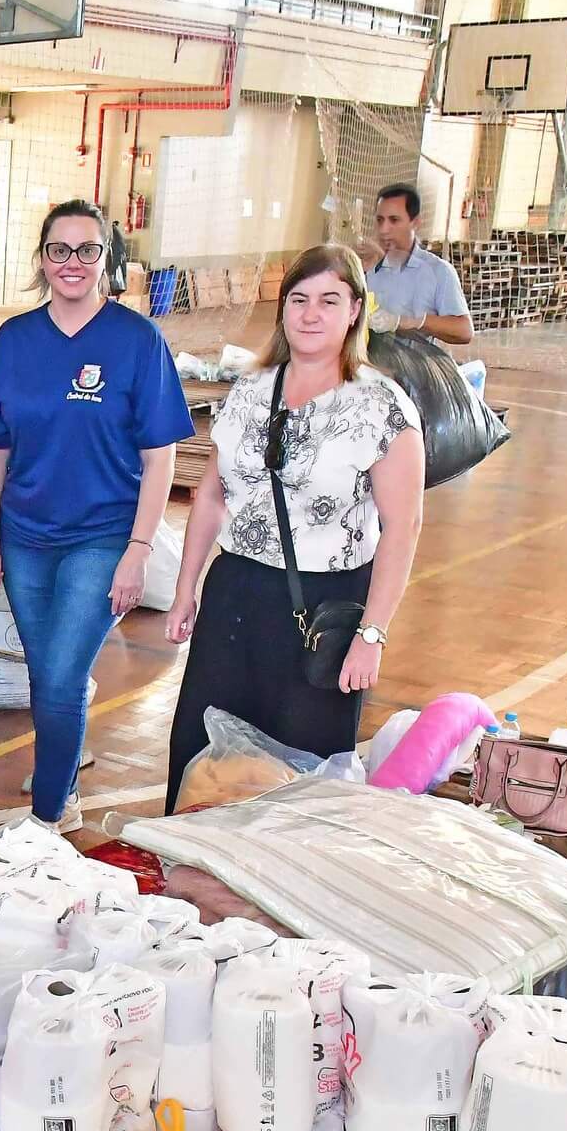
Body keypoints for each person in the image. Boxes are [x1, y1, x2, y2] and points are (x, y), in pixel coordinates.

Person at [162, 243, 428, 813]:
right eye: (299, 299)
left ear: (355, 310)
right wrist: (186, 588)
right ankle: (189, 886)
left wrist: (372, 635)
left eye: (329, 300)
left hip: (323, 607)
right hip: (236, 593)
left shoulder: (382, 407)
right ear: (283, 309)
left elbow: (403, 529)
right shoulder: (250, 391)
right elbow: (211, 495)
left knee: (302, 772)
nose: (311, 314)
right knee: (202, 750)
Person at [0, 200, 193, 832]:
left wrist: (139, 550)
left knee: (62, 677)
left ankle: (44, 820)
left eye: (87, 250)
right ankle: (63, 784)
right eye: (59, 250)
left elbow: (161, 458)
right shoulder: (16, 340)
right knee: (48, 676)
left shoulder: (136, 341)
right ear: (42, 259)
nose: (72, 263)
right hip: (25, 540)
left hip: (102, 537)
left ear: (106, 260)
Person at [366, 183, 474, 347]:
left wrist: (412, 322)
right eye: (380, 220)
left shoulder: (439, 272)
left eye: (394, 220)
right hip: (371, 368)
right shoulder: (370, 271)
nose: (384, 229)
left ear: (415, 223)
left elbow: (464, 331)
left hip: (415, 369)